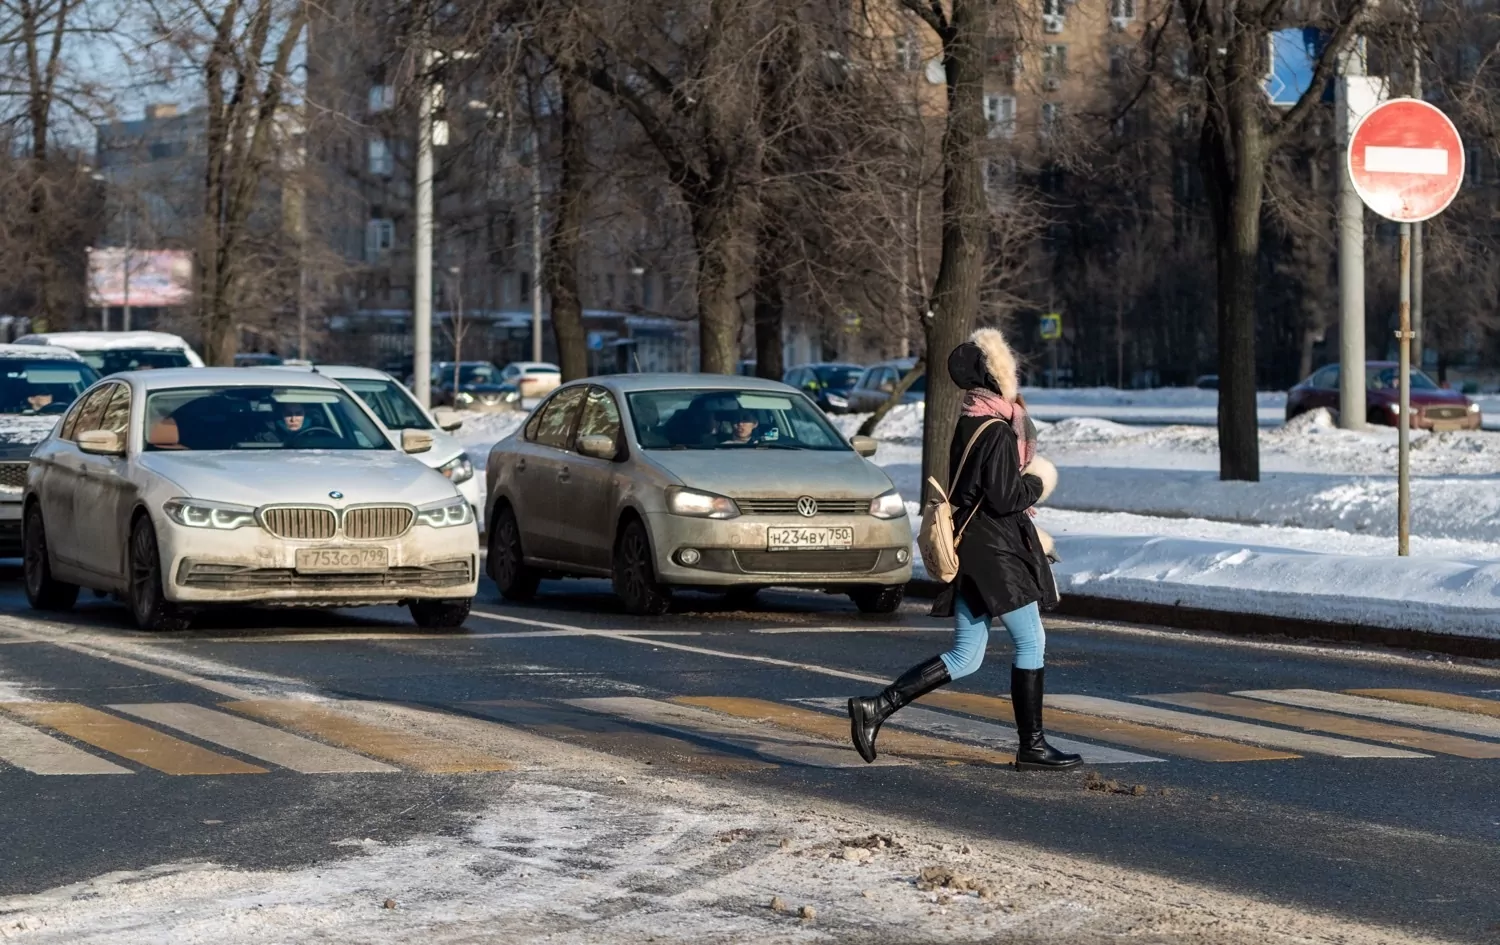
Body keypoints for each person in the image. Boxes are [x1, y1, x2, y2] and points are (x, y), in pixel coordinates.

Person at [847, 327, 1079, 771]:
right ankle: (1032, 746)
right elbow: (1005, 498)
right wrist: (1039, 481)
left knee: (966, 655)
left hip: (973, 549)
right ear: (998, 379)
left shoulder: (970, 420)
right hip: (995, 552)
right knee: (1031, 642)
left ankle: (876, 707)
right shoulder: (995, 430)